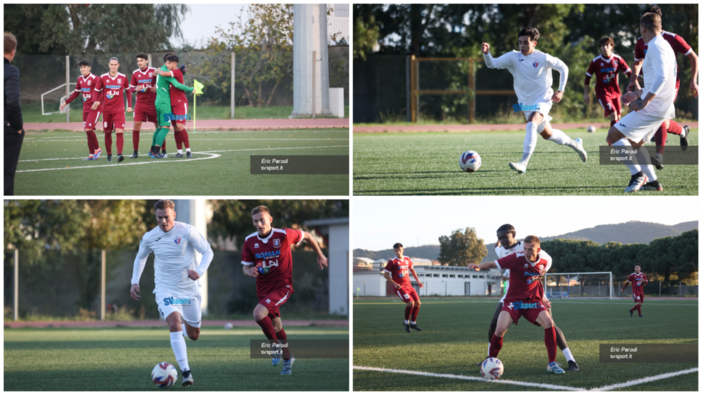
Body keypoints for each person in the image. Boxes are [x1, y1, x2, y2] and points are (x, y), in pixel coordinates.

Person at [130, 199, 213, 387]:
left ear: (174, 215)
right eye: (159, 218)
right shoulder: (150, 237)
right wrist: (134, 281)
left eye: (167, 217)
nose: (163, 221)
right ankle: (186, 372)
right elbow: (140, 257)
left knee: (194, 335)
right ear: (156, 216)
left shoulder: (187, 231)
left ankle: (182, 330)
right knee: (174, 323)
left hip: (189, 290)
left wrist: (199, 271)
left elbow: (208, 252)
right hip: (165, 288)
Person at [482, 26, 587, 174]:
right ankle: (575, 144)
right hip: (524, 103)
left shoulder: (543, 57)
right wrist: (487, 53)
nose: (522, 46)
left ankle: (523, 163)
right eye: (520, 42)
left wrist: (561, 90)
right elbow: (491, 64)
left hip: (543, 99)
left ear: (534, 43)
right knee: (547, 134)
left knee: (532, 122)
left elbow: (564, 68)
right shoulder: (513, 57)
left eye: (526, 42)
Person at [241, 205, 328, 375]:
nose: (259, 224)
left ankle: (275, 348)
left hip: (282, 286)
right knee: (277, 325)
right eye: (256, 221)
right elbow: (245, 268)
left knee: (258, 314)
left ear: (270, 220)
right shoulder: (249, 240)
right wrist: (249, 272)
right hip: (262, 288)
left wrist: (320, 254)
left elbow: (308, 236)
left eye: (262, 220)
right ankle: (288, 359)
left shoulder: (283, 235)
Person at [482, 225, 579, 371]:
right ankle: (489, 360)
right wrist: (498, 247)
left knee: (551, 324)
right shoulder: (502, 249)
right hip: (512, 294)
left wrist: (542, 273)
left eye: (505, 237)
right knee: (495, 324)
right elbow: (497, 253)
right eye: (500, 238)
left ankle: (570, 359)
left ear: (514, 234)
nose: (502, 240)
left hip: (534, 292)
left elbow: (546, 260)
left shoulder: (526, 247)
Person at [468, 235, 565, 375]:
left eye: (530, 249)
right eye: (525, 249)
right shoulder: (515, 258)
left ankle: (552, 364)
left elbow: (537, 280)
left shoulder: (543, 262)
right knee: (500, 329)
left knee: (549, 323)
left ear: (538, 250)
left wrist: (542, 297)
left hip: (532, 302)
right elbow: (492, 264)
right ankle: (491, 362)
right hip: (513, 301)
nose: (527, 252)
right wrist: (478, 266)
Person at [607, 13, 676, 193]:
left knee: (613, 136)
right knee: (635, 142)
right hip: (660, 106)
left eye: (641, 30)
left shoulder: (655, 46)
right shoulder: (664, 45)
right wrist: (637, 94)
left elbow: (661, 78)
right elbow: (659, 79)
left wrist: (644, 101)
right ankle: (653, 182)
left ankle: (636, 174)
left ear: (643, 29)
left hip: (654, 107)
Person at [628, 6, 696, 169]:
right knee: (663, 121)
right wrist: (634, 79)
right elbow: (638, 62)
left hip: (671, 85)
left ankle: (659, 156)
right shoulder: (641, 41)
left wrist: (694, 81)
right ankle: (681, 132)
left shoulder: (672, 39)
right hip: (650, 84)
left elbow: (694, 57)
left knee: (658, 116)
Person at [150, 54, 193, 159]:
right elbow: (160, 74)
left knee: (177, 127)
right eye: (166, 62)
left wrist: (192, 89)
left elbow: (176, 83)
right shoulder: (167, 71)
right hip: (168, 104)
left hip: (179, 103)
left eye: (169, 62)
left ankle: (188, 151)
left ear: (175, 64)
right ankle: (177, 152)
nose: (167, 64)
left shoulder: (172, 72)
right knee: (168, 127)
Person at [584, 37, 632, 129]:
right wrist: (585, 94)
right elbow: (587, 78)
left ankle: (620, 138)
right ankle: (613, 140)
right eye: (602, 46)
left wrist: (636, 85)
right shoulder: (595, 61)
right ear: (600, 48)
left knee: (618, 116)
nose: (605, 47)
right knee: (613, 114)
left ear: (611, 47)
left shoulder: (617, 59)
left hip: (616, 93)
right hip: (602, 93)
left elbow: (629, 74)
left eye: (607, 45)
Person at [91, 57, 132, 162]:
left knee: (119, 131)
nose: (113, 66)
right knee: (107, 132)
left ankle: (119, 155)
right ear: (108, 65)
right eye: (111, 64)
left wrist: (129, 105)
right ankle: (109, 154)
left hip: (119, 110)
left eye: (115, 64)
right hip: (107, 110)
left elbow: (128, 91)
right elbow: (96, 91)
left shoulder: (123, 77)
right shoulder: (103, 77)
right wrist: (96, 101)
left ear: (118, 65)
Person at [61, 60, 103, 160]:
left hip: (95, 108)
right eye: (81, 67)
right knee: (87, 131)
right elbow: (76, 93)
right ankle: (91, 154)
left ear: (89, 68)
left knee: (88, 129)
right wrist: (65, 102)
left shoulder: (95, 78)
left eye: (84, 67)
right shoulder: (80, 79)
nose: (82, 69)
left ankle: (97, 149)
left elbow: (103, 92)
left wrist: (97, 102)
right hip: (85, 108)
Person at [383, 243, 424, 333]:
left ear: (403, 250)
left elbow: (412, 270)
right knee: (411, 303)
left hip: (409, 286)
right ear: (394, 251)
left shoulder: (407, 259)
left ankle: (413, 323)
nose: (398, 252)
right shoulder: (392, 261)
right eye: (396, 250)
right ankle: (406, 322)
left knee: (418, 303)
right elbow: (385, 274)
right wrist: (394, 284)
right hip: (400, 288)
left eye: (399, 250)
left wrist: (418, 281)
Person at [128, 53, 160, 158]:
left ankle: (161, 151)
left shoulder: (154, 71)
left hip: (153, 103)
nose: (139, 63)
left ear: (146, 61)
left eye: (141, 60)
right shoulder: (135, 73)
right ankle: (135, 152)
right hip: (140, 103)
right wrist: (135, 88)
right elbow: (131, 89)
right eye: (138, 61)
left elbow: (162, 83)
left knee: (159, 126)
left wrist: (156, 86)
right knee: (136, 125)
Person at [4, 32, 24, 195]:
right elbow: (12, 102)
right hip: (7, 129)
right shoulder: (11, 71)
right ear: (13, 51)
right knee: (6, 175)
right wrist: (18, 127)